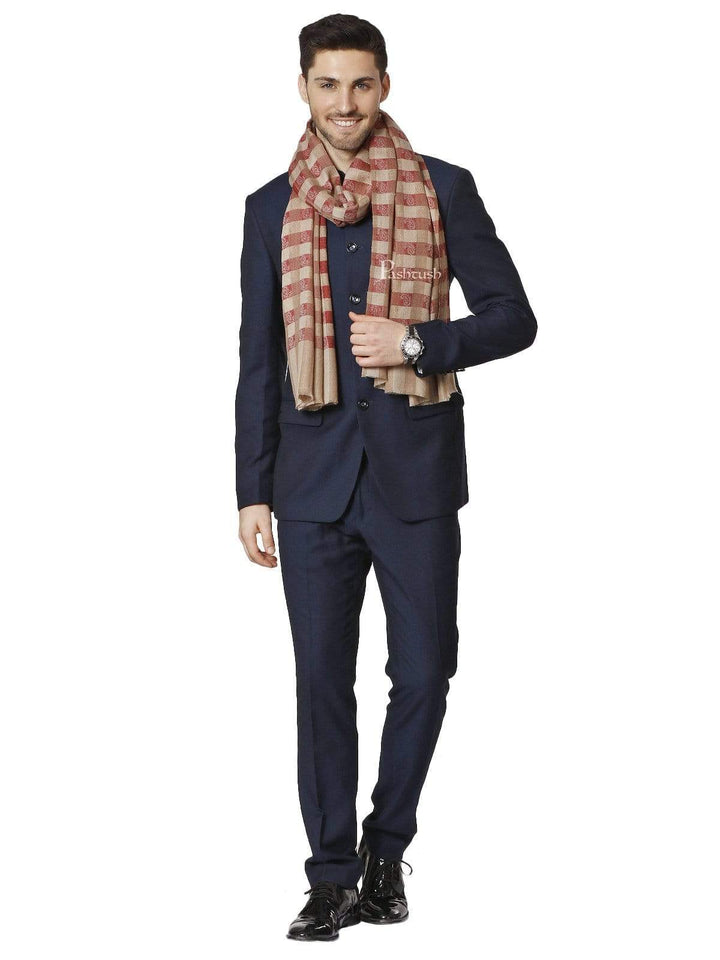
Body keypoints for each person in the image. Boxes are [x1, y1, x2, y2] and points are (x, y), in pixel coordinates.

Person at [235, 13, 537, 941]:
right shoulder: (269, 208)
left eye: (361, 83)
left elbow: (514, 317)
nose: (346, 103)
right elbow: (258, 359)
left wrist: (416, 342)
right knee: (320, 683)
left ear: (386, 86)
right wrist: (251, 489)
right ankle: (330, 877)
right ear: (303, 89)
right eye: (328, 84)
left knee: (427, 671)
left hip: (415, 477)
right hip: (311, 483)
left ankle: (384, 847)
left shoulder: (443, 187)